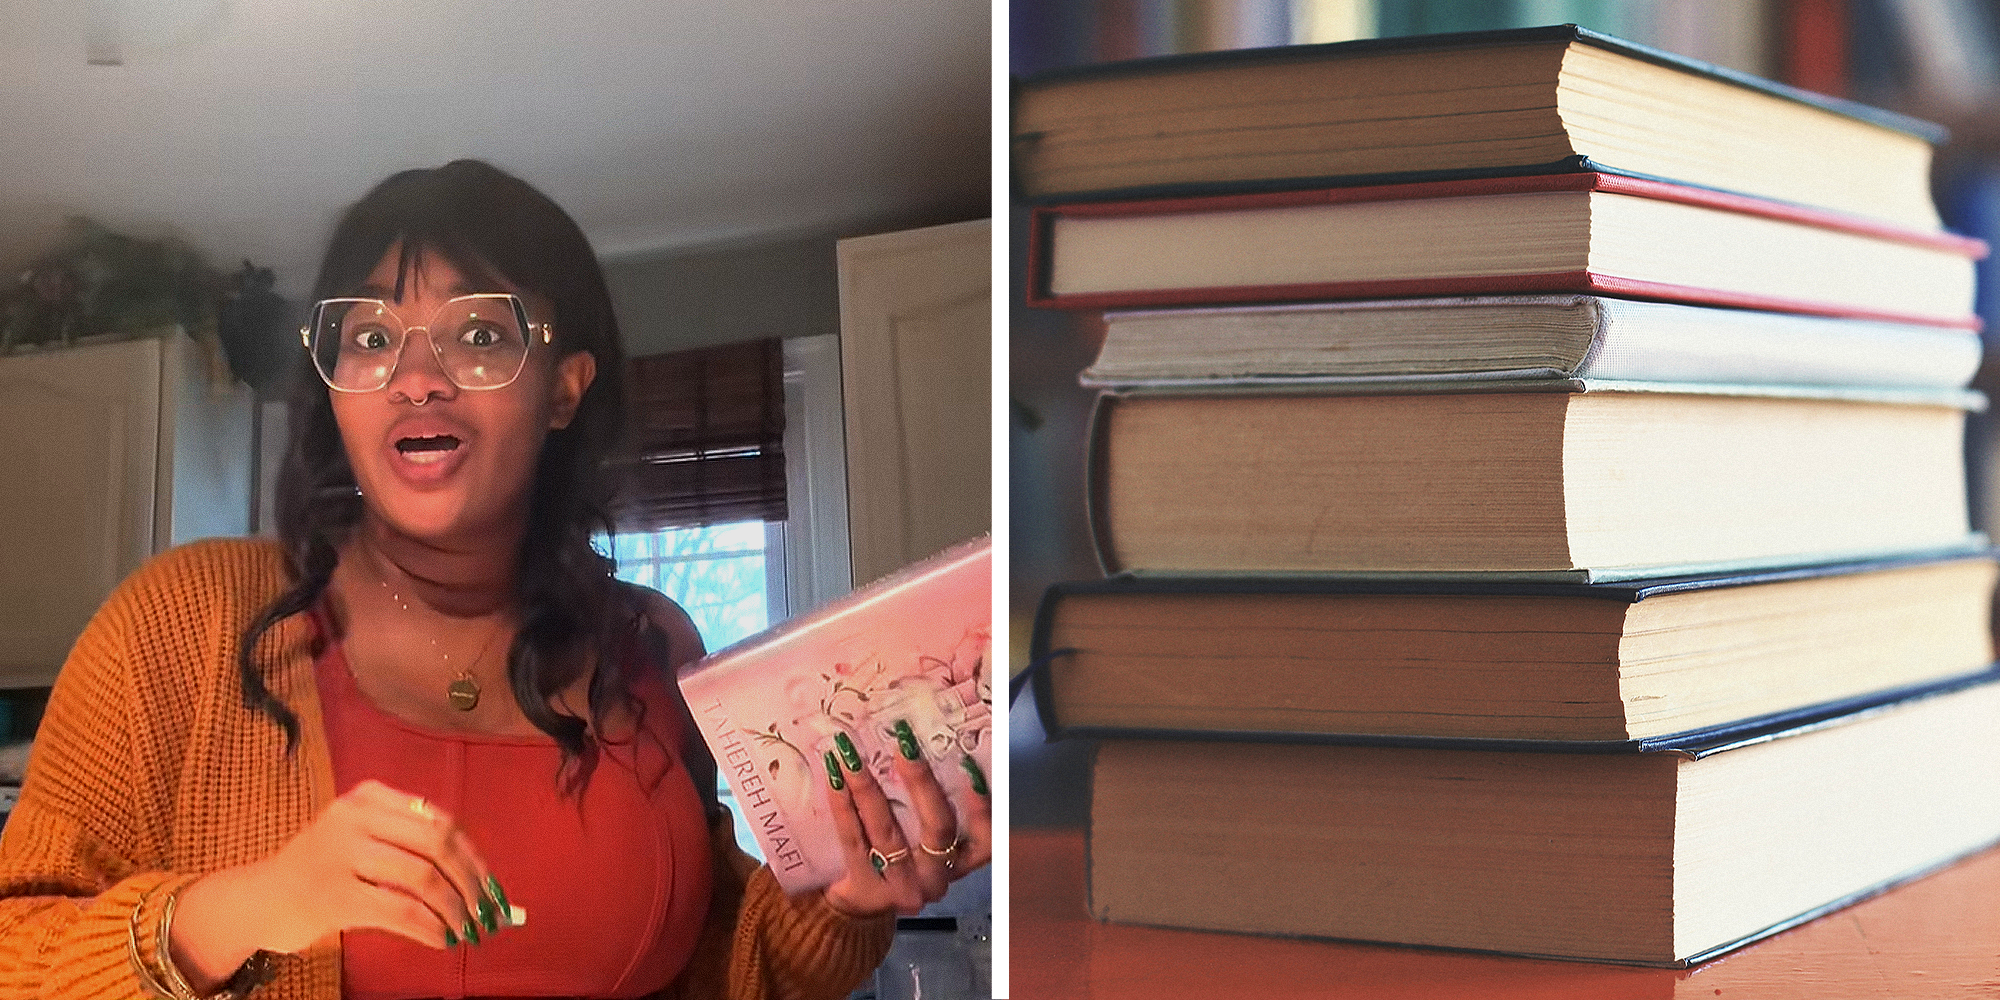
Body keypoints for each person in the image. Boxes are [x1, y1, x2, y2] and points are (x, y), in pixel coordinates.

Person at [0, 160, 991, 999]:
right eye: (371, 336)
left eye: (478, 334)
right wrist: (248, 906)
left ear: (564, 385)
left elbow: (721, 967)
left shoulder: (648, 648)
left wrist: (839, 901)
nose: (415, 373)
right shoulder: (180, 622)